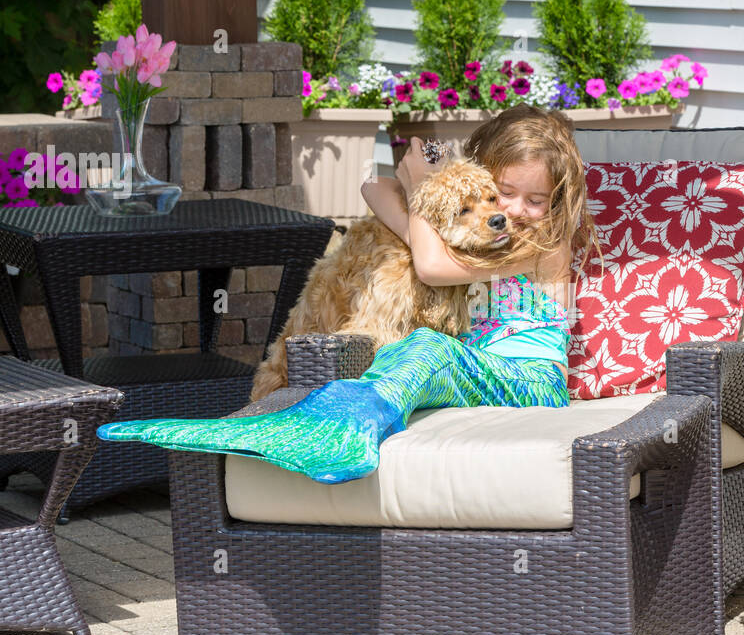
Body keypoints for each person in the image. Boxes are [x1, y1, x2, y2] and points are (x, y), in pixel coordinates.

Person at [95, 105, 598, 484]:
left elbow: (431, 264)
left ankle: (343, 432)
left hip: (531, 383)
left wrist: (419, 192)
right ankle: (256, 427)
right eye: (503, 193)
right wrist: (423, 196)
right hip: (480, 374)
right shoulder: (479, 227)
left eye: (536, 200)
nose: (513, 210)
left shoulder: (546, 244)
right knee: (404, 350)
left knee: (430, 349)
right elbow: (374, 189)